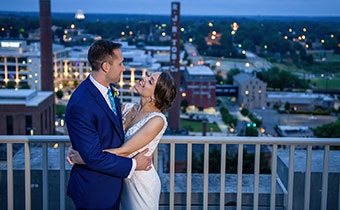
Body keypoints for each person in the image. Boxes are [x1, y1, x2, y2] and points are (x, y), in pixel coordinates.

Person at [68, 70, 177, 210]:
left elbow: (124, 151)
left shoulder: (157, 120)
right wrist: (78, 145)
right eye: (148, 76)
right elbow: (99, 129)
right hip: (119, 176)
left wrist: (83, 158)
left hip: (140, 182)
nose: (143, 78)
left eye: (150, 81)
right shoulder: (126, 108)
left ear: (156, 95)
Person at [65, 40, 153, 210]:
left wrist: (80, 145)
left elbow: (108, 132)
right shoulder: (81, 104)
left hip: (112, 185)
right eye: (120, 64)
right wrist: (135, 165)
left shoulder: (107, 90)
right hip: (95, 191)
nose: (124, 68)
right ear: (106, 66)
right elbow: (94, 158)